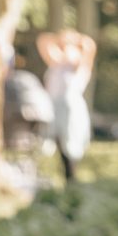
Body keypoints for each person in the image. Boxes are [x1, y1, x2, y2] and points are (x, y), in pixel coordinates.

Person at [37, 29, 96, 182]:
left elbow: (88, 46)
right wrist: (59, 39)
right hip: (54, 106)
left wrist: (76, 41)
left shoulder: (80, 64)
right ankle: (64, 174)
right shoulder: (57, 64)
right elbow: (43, 40)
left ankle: (71, 176)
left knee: (70, 142)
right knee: (55, 141)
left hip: (69, 108)